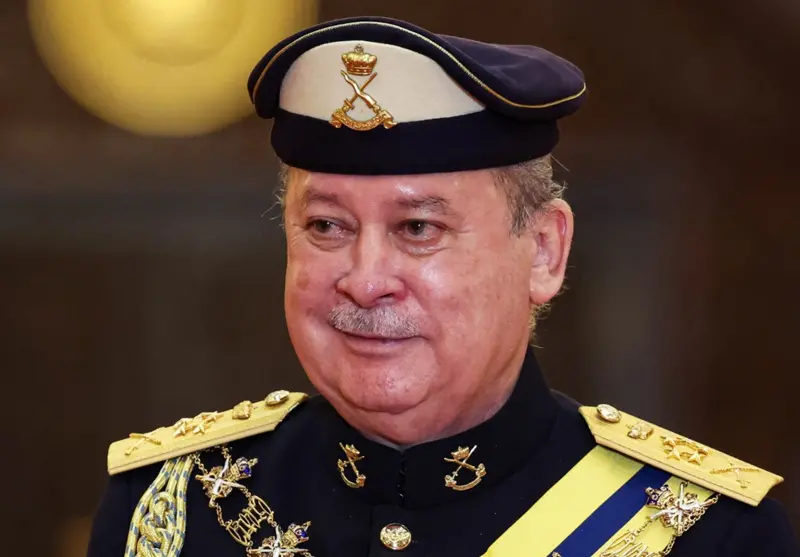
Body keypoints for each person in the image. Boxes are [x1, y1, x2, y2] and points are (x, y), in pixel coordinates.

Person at [87, 16, 798, 557]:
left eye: (418, 228)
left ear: (544, 251)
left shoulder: (706, 535)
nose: (366, 281)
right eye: (327, 226)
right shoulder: (172, 514)